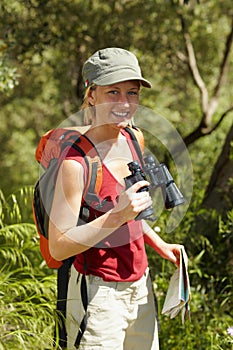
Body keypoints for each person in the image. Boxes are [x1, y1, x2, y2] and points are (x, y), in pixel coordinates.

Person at [49, 47, 186, 350]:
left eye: (132, 93)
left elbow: (130, 208)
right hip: (97, 295)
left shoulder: (133, 137)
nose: (124, 103)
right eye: (113, 91)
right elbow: (58, 246)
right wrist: (117, 216)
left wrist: (158, 243)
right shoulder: (75, 163)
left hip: (140, 286)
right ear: (92, 94)